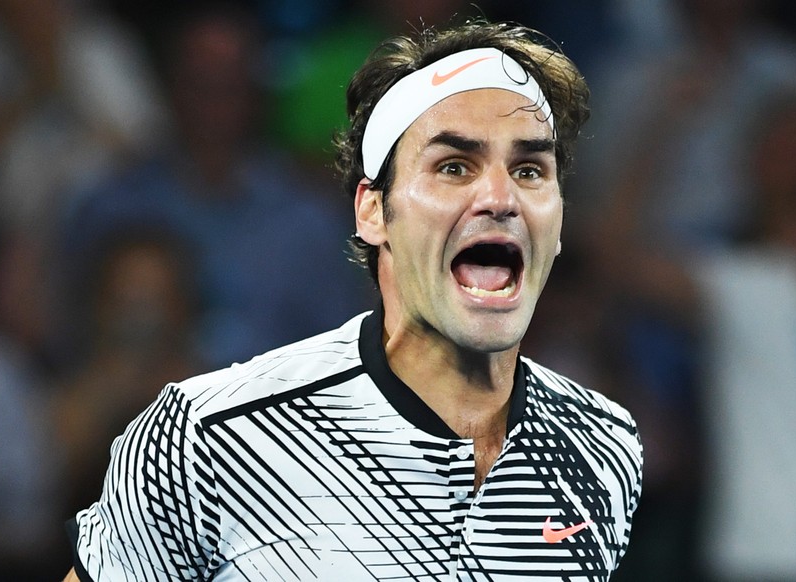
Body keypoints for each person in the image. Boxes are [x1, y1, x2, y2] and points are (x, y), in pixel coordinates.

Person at [62, 18, 643, 581]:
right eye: (455, 166)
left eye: (529, 169)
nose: (500, 197)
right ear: (372, 210)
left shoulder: (605, 446)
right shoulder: (211, 436)